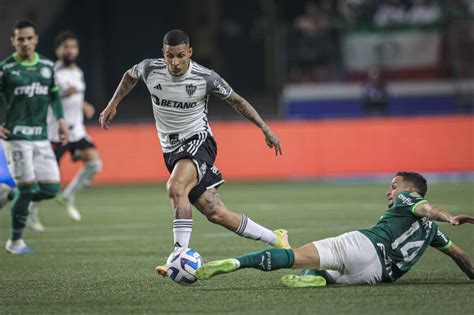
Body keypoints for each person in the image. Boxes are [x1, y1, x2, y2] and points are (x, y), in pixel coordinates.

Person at [99, 29, 288, 276]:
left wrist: (265, 129)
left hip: (199, 142)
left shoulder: (205, 78)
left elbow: (237, 101)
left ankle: (177, 257)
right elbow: (128, 77)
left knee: (176, 188)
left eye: (180, 56)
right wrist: (113, 104)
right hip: (171, 150)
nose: (175, 63)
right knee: (215, 212)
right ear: (163, 54)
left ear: (189, 52)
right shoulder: (149, 69)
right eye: (169, 56)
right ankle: (276, 239)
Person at [196, 172, 474, 287]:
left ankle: (236, 263)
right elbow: (460, 256)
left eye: (394, 186)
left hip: (365, 246)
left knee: (295, 257)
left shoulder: (408, 199)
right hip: (376, 277)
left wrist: (448, 216)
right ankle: (317, 277)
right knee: (322, 270)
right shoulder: (433, 235)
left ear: (410, 190)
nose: (390, 192)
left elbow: (429, 209)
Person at [0, 19, 69, 254]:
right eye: (20, 39)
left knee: (50, 188)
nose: (25, 43)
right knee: (28, 187)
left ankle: (9, 193)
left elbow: (54, 96)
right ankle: (15, 241)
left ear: (36, 39)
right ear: (13, 41)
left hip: (40, 135)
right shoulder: (6, 69)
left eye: (29, 38)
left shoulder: (48, 67)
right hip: (15, 135)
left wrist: (60, 120)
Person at [26, 30, 102, 231]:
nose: (70, 50)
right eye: (66, 47)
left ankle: (68, 195)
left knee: (94, 163)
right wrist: (62, 94)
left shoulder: (78, 72)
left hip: (77, 131)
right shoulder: (49, 71)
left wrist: (83, 104)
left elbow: (76, 96)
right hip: (56, 133)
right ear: (58, 49)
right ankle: (31, 212)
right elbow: (42, 98)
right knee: (48, 182)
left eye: (74, 46)